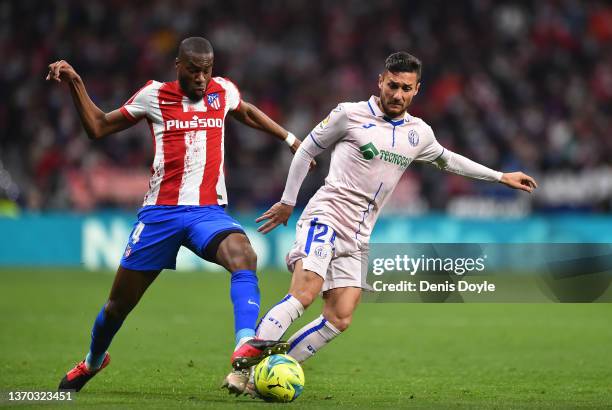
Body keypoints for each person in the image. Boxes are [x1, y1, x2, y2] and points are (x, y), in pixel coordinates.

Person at [232, 51, 538, 395]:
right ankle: (241, 369)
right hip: (327, 217)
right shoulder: (348, 114)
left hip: (359, 235)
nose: (398, 94)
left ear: (416, 89)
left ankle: (269, 373)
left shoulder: (418, 133)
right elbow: (307, 150)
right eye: (392, 85)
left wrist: (500, 177)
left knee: (340, 317)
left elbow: (449, 161)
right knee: (304, 293)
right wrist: (288, 201)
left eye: (406, 88)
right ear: (380, 81)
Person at [47, 37, 298, 394]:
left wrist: (290, 139)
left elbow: (245, 110)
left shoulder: (221, 90)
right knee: (117, 306)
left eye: (206, 71)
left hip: (206, 212)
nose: (201, 78)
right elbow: (98, 126)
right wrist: (75, 82)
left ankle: (245, 345)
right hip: (160, 215)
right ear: (178, 66)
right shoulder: (153, 95)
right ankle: (93, 361)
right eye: (193, 70)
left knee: (244, 255)